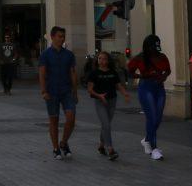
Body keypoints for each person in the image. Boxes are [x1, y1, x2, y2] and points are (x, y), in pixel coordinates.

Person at [127, 34, 171, 161]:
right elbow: (129, 71)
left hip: (159, 87)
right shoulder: (140, 58)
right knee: (151, 117)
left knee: (158, 117)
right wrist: (140, 77)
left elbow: (168, 70)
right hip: (146, 88)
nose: (155, 48)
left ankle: (147, 139)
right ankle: (154, 148)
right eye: (153, 45)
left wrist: (164, 77)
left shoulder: (162, 57)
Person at [39, 26, 79, 161]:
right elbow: (42, 73)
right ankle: (56, 148)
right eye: (59, 36)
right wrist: (44, 91)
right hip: (52, 91)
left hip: (66, 91)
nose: (62, 39)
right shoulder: (45, 54)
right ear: (52, 37)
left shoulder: (69, 55)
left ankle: (64, 142)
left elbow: (73, 73)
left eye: (63, 36)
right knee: (54, 120)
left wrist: (75, 91)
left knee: (71, 118)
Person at [86, 50, 131, 161]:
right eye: (100, 58)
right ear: (97, 60)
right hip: (100, 101)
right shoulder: (94, 73)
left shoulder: (112, 72)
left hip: (112, 101)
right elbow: (90, 90)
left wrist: (125, 93)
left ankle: (101, 146)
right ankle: (110, 149)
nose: (102, 61)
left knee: (106, 125)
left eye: (104, 59)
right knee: (106, 124)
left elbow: (118, 85)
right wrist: (99, 96)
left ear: (108, 60)